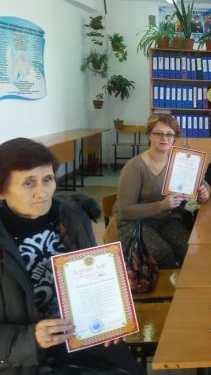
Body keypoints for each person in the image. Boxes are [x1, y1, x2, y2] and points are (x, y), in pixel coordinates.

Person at [0, 138, 143, 374]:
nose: (42, 192)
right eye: (28, 183)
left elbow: (91, 279)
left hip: (89, 338)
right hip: (28, 359)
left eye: (48, 179)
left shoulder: (72, 218)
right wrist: (31, 338)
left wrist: (112, 304)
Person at [115, 114, 210, 269]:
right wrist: (161, 205)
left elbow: (202, 183)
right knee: (163, 254)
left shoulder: (179, 160)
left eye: (169, 134)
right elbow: (125, 210)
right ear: (149, 135)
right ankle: (168, 285)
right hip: (135, 222)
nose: (164, 138)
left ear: (174, 138)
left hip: (166, 219)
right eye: (158, 133)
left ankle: (185, 283)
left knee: (189, 250)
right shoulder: (134, 167)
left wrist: (204, 192)